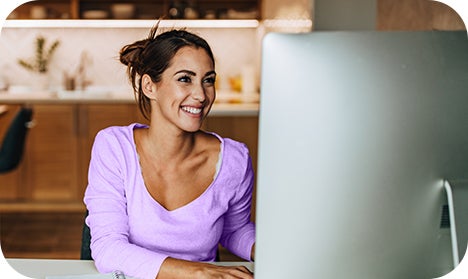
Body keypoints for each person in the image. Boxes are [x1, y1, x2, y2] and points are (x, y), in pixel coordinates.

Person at [83, 22, 256, 279]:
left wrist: (272, 249)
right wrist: (196, 272)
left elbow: (235, 229)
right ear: (149, 86)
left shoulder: (234, 159)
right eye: (185, 79)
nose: (201, 95)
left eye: (208, 80)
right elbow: (108, 249)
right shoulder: (114, 147)